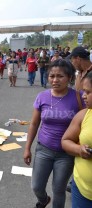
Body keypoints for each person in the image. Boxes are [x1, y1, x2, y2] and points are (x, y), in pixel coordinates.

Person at [23, 59, 82, 208]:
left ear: (69, 78)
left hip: (66, 154)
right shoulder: (42, 97)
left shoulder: (78, 98)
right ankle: (43, 200)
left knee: (59, 190)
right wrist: (27, 148)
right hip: (44, 149)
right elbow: (35, 124)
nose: (55, 80)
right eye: (51, 76)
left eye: (60, 76)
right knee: (36, 186)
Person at [61, 71, 92, 208]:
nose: (84, 96)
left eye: (88, 92)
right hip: (82, 191)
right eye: (83, 91)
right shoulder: (83, 115)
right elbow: (65, 141)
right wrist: (79, 149)